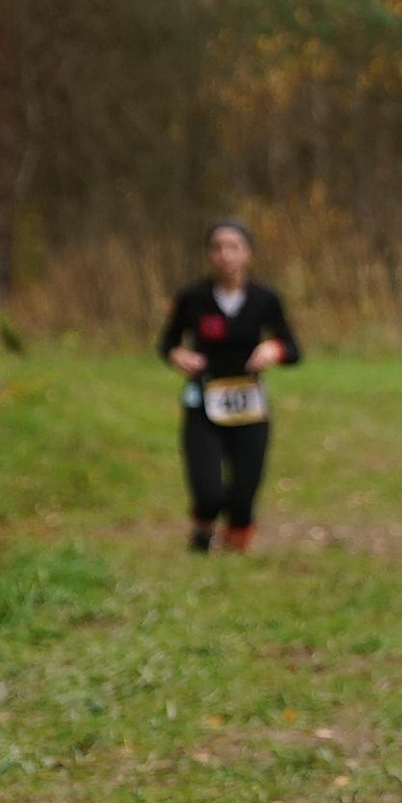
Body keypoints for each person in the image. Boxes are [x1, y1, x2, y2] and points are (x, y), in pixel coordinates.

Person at [157, 222, 301, 554]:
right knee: (208, 491)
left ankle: (237, 542)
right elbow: (166, 342)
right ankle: (203, 524)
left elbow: (293, 349)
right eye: (218, 247)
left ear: (247, 253)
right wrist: (178, 355)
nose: (226, 255)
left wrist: (273, 350)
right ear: (209, 254)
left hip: (249, 403)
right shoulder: (193, 298)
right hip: (203, 401)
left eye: (234, 247)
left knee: (243, 492)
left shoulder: (265, 299)